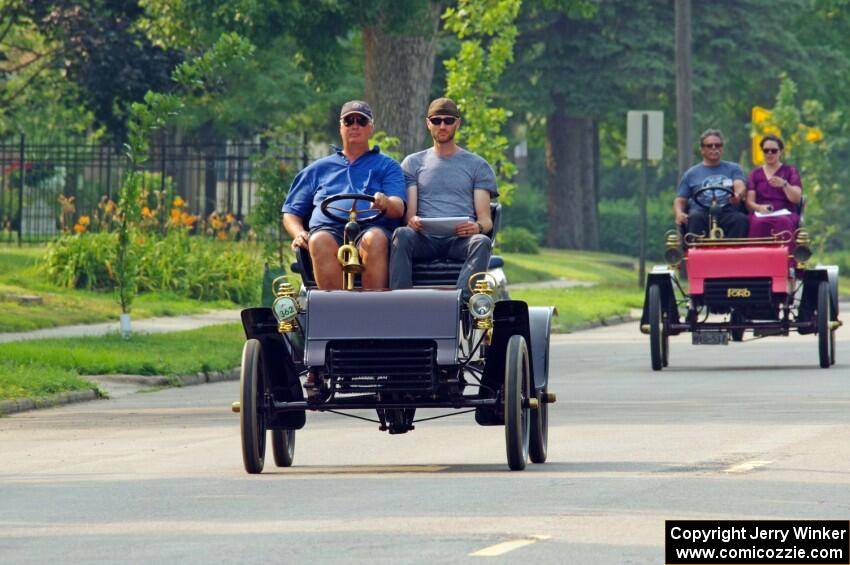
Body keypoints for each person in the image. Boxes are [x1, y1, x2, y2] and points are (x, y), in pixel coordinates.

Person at [282, 100, 406, 289]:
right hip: (328, 229)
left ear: (371, 128)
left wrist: (386, 202)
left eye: (361, 121)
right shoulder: (317, 169)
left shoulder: (388, 166)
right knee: (318, 240)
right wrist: (298, 233)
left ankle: (372, 311)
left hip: (372, 228)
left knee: (374, 239)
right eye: (349, 121)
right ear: (341, 127)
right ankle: (334, 313)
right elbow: (291, 213)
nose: (355, 126)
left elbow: (398, 208)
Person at [389, 98, 498, 298]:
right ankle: (400, 301)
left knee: (481, 241)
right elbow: (409, 216)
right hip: (424, 239)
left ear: (458, 123)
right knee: (402, 234)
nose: (442, 125)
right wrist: (412, 221)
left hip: (460, 240)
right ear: (428, 123)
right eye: (436, 120)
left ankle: (461, 302)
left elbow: (485, 220)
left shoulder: (477, 166)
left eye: (448, 120)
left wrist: (476, 227)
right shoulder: (413, 163)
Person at [673, 129, 749, 239]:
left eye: (717, 145)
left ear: (722, 148)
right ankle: (696, 252)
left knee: (740, 220)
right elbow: (680, 199)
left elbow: (740, 185)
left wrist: (738, 195)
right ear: (702, 149)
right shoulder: (691, 174)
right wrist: (679, 213)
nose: (714, 148)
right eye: (709, 146)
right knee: (694, 218)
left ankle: (733, 253)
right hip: (701, 212)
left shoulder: (734, 168)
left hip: (727, 210)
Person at [746, 134, 802, 239]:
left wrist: (784, 184)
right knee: (757, 223)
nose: (770, 153)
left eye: (774, 150)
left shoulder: (790, 171)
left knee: (783, 221)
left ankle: (786, 255)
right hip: (761, 214)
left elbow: (796, 199)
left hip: (785, 213)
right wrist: (759, 207)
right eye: (766, 150)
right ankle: (757, 255)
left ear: (780, 151)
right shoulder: (755, 174)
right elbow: (749, 202)